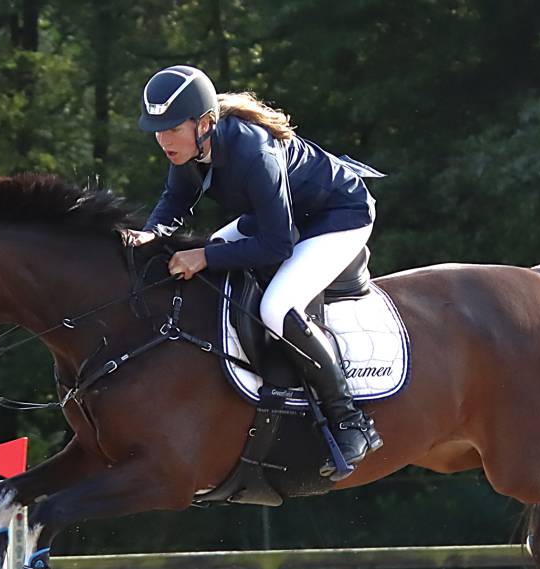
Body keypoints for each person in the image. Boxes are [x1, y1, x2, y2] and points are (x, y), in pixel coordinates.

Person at [125, 65, 384, 480]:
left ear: (205, 123)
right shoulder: (189, 149)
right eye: (157, 129)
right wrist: (150, 236)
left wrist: (205, 258)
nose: (162, 139)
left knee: (277, 307)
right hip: (283, 217)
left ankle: (349, 419)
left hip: (336, 216)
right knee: (206, 254)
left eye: (171, 128)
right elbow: (174, 204)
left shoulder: (254, 153)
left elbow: (277, 245)